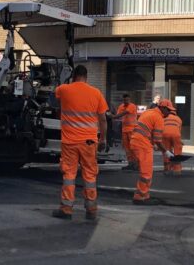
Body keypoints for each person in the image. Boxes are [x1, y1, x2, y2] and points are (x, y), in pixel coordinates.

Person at [52, 65, 108, 221]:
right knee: (90, 175)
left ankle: (66, 209)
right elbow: (103, 119)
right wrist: (103, 139)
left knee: (69, 175)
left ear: (74, 75)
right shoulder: (96, 93)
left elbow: (54, 98)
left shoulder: (64, 89)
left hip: (70, 142)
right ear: (86, 76)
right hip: (89, 142)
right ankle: (91, 210)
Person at [130, 98, 174, 205]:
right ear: (163, 108)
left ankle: (144, 195)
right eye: (168, 110)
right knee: (146, 172)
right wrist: (166, 152)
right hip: (142, 144)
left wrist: (152, 144)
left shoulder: (149, 112)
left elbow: (146, 129)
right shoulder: (158, 118)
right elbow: (158, 140)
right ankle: (140, 197)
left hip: (137, 141)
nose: (170, 113)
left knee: (146, 170)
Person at [113, 94, 138, 171]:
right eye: (125, 100)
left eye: (127, 100)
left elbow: (124, 113)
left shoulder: (132, 106)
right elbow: (118, 115)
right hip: (124, 130)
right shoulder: (121, 106)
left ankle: (136, 164)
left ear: (129, 99)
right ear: (123, 100)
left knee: (133, 147)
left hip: (132, 129)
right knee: (127, 148)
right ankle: (130, 163)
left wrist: (113, 116)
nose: (126, 101)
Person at [161, 101, 183, 176]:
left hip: (165, 135)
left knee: (167, 151)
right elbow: (179, 131)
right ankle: (177, 170)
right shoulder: (179, 119)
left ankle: (167, 169)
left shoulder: (164, 119)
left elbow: (161, 129)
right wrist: (180, 141)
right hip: (176, 135)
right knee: (177, 152)